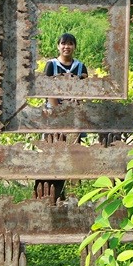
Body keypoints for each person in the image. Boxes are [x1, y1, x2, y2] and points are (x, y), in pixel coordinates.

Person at [35, 33, 87, 201]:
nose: (67, 47)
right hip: (53, 116)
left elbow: (84, 90)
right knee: (52, 152)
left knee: (72, 154)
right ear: (58, 46)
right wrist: (59, 111)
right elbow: (48, 89)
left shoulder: (80, 67)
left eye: (70, 44)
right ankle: (49, 194)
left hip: (73, 116)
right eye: (63, 44)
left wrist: (74, 106)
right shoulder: (51, 65)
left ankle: (72, 194)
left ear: (75, 47)